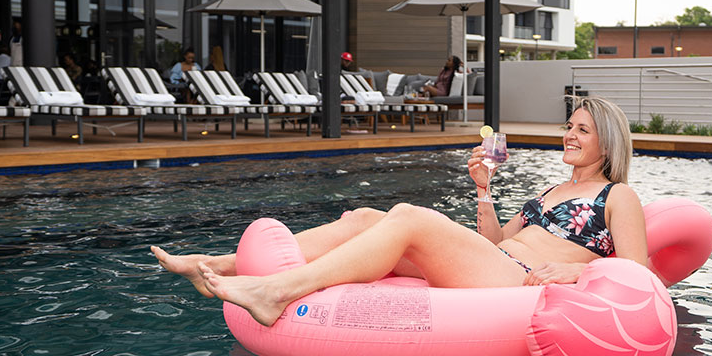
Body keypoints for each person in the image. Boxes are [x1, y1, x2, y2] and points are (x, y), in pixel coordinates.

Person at [151, 96, 647, 327]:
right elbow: (493, 244)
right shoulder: (551, 189)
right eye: (569, 125)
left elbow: (638, 272)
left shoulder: (616, 197)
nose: (569, 135)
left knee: (409, 215)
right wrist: (482, 191)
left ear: (607, 141)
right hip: (496, 262)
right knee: (367, 217)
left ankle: (275, 291)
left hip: (519, 282)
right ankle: (219, 264)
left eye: (582, 129)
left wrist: (577, 269)